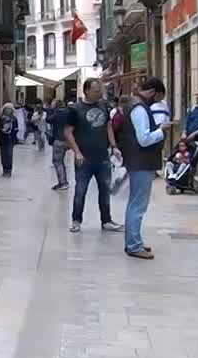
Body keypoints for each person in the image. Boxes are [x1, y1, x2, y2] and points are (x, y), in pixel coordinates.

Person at [116, 77, 172, 259]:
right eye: (158, 98)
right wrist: (161, 130)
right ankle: (133, 245)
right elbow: (144, 138)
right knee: (138, 205)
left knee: (136, 203)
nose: (157, 102)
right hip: (141, 162)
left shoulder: (136, 106)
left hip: (138, 161)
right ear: (153, 92)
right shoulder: (139, 109)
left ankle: (134, 241)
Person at [64, 78, 122, 234]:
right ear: (87, 91)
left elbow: (108, 126)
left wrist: (114, 146)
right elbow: (68, 132)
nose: (99, 94)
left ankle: (106, 220)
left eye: (100, 90)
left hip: (103, 156)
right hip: (84, 158)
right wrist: (77, 152)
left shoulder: (104, 106)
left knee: (105, 189)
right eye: (96, 91)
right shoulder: (75, 109)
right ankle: (76, 220)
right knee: (80, 190)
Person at [47, 99, 71, 190]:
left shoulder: (56, 113)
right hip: (68, 140)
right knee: (61, 161)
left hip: (59, 140)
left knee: (57, 161)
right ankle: (63, 181)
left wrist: (51, 110)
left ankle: (63, 182)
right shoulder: (69, 112)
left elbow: (48, 120)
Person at [187, 89, 198, 179]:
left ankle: (190, 180)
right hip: (189, 137)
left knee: (195, 158)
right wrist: (184, 132)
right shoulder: (193, 107)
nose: (197, 97)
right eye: (196, 95)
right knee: (185, 156)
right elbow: (187, 120)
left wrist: (195, 133)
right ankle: (184, 179)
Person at [0, 104, 16, 176]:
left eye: (9, 109)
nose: (7, 110)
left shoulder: (14, 119)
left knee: (9, 154)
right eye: (6, 109)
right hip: (2, 140)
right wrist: (1, 130)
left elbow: (16, 129)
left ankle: (9, 170)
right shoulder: (0, 119)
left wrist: (10, 132)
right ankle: (4, 170)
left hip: (10, 140)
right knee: (3, 155)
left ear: (12, 110)